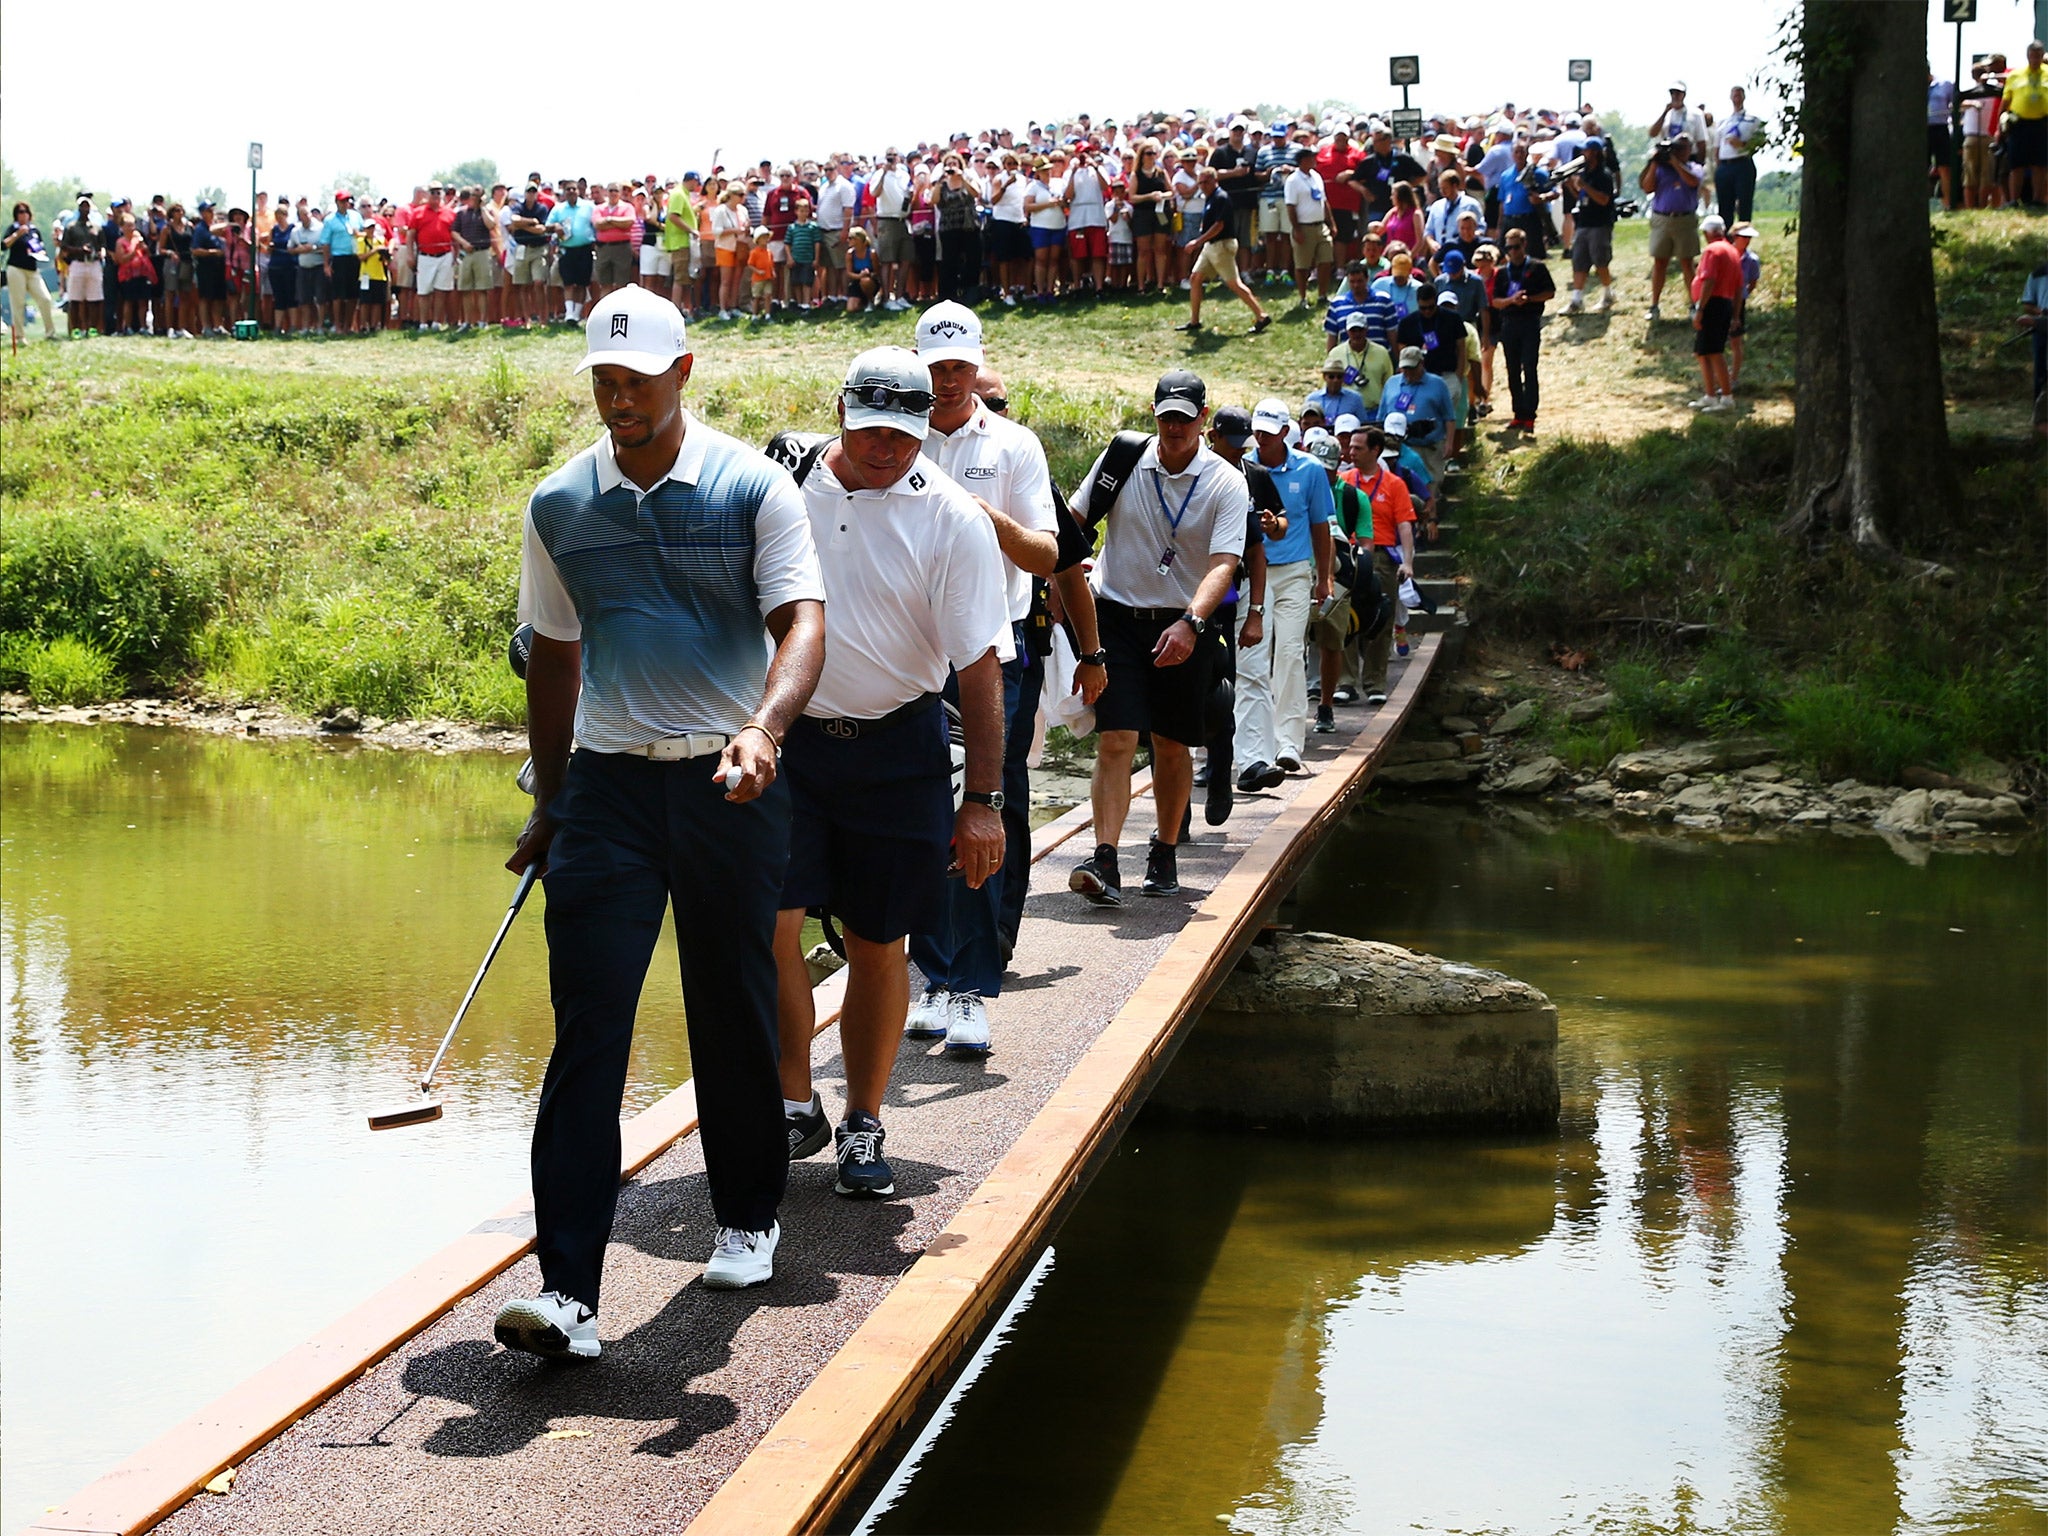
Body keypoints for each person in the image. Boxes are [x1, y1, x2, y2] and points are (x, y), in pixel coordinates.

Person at [496, 286, 827, 1361]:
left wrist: (766, 729)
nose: (616, 397)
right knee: (588, 1022)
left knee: (727, 1005)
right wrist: (554, 801)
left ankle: (745, 1214)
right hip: (607, 789)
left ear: (683, 373)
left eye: (634, 379)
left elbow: (800, 623)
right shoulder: (559, 504)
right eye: (601, 379)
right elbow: (554, 653)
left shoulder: (752, 489)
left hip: (727, 780)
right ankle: (568, 1294)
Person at [774, 345, 1009, 1201]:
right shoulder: (785, 484)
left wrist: (982, 802)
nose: (888, 449)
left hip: (899, 747)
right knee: (769, 925)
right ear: (841, 412)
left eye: (905, 435)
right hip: (789, 743)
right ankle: (794, 1103)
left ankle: (863, 1121)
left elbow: (980, 666)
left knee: (881, 945)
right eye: (873, 430)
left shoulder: (952, 517)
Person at [901, 304, 1062, 1053]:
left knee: (983, 811)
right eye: (934, 367)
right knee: (919, 819)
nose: (946, 381)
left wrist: (974, 515)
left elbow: (1045, 555)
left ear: (977, 364)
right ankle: (933, 974)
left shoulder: (1014, 445)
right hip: (905, 658)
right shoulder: (888, 435)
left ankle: (970, 986)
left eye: (959, 367)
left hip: (988, 657)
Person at [1068, 370, 1248, 906]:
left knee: (1172, 743)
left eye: (1185, 417)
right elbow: (1075, 520)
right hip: (1117, 617)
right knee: (1116, 738)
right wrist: (1063, 573)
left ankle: (1164, 848)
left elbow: (1224, 563)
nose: (1174, 426)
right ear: (1155, 414)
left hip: (1183, 624)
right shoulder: (1124, 459)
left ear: (1203, 419)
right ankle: (1104, 857)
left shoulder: (1224, 481)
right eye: (1166, 416)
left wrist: (1192, 623)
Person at [1232, 399, 1334, 786]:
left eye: (1269, 432)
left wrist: (1323, 578)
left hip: (1292, 572)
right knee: (1254, 660)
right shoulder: (1241, 466)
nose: (1260, 437)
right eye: (1257, 430)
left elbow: (1320, 525)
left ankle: (1288, 742)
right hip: (1250, 575)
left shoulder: (1308, 470)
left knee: (1290, 653)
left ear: (1285, 433)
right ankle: (1256, 745)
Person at [1341, 427, 1419, 708]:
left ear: (1376, 450)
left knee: (1381, 618)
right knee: (1344, 617)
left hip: (1382, 557)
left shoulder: (1395, 484)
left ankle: (1375, 682)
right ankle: (1346, 682)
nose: (1351, 453)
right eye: (1350, 447)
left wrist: (1408, 562)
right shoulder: (1344, 480)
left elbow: (1404, 525)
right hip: (1347, 555)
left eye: (1358, 448)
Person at [1179, 165, 1270, 335]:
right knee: (1195, 278)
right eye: (1200, 183)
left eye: (1205, 182)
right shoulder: (1211, 197)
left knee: (1234, 283)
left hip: (1221, 246)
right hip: (1211, 246)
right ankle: (1194, 321)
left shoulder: (1221, 198)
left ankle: (1261, 316)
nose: (1202, 186)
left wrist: (1197, 242)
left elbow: (1219, 225)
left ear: (1214, 181)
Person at [1489, 227, 1556, 432]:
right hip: (1509, 324)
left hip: (1530, 321)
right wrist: (1512, 300)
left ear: (1524, 245)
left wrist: (1529, 299)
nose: (1512, 251)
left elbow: (1550, 292)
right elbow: (1495, 301)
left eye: (1516, 247)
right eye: (1508, 248)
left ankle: (1530, 414)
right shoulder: (1501, 273)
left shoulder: (1537, 267)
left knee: (1529, 367)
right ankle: (1518, 413)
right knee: (1512, 370)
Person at [1641, 136, 1703, 322]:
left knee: (1687, 263)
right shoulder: (1660, 169)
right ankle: (1654, 305)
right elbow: (1647, 187)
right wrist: (1654, 162)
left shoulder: (1695, 168)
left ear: (1689, 149)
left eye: (1683, 148)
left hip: (1685, 220)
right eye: (1677, 148)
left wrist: (1675, 162)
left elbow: (1692, 182)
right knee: (1660, 263)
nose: (1680, 151)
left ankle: (1694, 304)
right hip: (1662, 219)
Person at [1689, 215, 1742, 412]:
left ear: (1707, 233)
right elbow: (1738, 287)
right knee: (1702, 352)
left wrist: (1700, 309)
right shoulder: (1733, 251)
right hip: (1725, 304)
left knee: (1713, 352)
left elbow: (1709, 281)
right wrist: (1736, 315)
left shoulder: (1712, 250)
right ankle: (1710, 395)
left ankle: (1726, 398)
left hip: (1712, 305)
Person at [1562, 138, 1616, 312]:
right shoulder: (1585, 173)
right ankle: (1577, 300)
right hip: (1584, 222)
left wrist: (1584, 186)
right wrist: (1572, 187)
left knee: (1600, 260)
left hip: (1599, 223)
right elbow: (1583, 197)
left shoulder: (1604, 175)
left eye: (1586, 151)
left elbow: (1603, 200)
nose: (1583, 154)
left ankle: (1608, 293)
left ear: (1595, 153)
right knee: (1579, 260)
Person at [1284, 146, 1335, 305]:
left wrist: (1331, 223)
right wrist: (1297, 229)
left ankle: (1322, 294)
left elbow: (1324, 201)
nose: (1314, 160)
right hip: (1304, 227)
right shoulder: (1293, 180)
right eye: (1311, 157)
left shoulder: (1316, 176)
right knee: (1302, 265)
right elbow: (1290, 206)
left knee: (1326, 261)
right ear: (1302, 161)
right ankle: (1302, 297)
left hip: (1320, 226)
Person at [3, 204, 58, 342]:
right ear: (16, 215)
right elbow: (3, 245)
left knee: (45, 299)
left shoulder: (34, 231)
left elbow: (41, 248)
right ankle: (20, 337)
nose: (23, 215)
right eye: (20, 212)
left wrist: (40, 253)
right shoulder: (13, 228)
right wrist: (17, 234)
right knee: (18, 303)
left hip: (33, 270)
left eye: (26, 212)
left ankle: (50, 333)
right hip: (16, 269)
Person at [2004, 40, 2048, 208]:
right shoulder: (2015, 75)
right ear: (2028, 56)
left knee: (2040, 164)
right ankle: (2014, 200)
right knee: (2017, 163)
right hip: (2019, 123)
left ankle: (2038, 200)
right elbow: (2006, 100)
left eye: (2038, 56)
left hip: (2043, 123)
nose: (2035, 59)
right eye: (2032, 56)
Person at [546, 181, 596, 323]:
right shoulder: (558, 209)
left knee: (582, 283)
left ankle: (576, 314)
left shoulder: (589, 207)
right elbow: (546, 226)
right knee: (568, 282)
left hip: (585, 249)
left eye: (574, 189)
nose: (571, 191)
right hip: (566, 249)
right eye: (568, 189)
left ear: (578, 191)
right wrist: (555, 226)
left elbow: (596, 224)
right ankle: (569, 313)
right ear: (564, 191)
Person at [1715, 86, 1765, 224]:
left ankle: (1743, 240)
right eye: (1734, 94)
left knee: (1744, 204)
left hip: (1743, 164)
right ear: (1730, 97)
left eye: (1739, 94)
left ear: (1744, 97)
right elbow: (1716, 147)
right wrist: (1718, 167)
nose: (1736, 97)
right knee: (1724, 207)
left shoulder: (1754, 120)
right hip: (1725, 166)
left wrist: (1742, 145)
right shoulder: (1722, 122)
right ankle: (1726, 241)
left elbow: (1761, 142)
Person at [1727, 222, 1761, 394]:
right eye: (1744, 237)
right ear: (1735, 237)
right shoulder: (1726, 255)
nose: (1747, 241)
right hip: (1723, 299)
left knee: (1736, 341)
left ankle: (1733, 378)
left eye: (1749, 238)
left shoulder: (1752, 260)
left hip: (1738, 303)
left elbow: (1752, 282)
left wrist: (1743, 295)